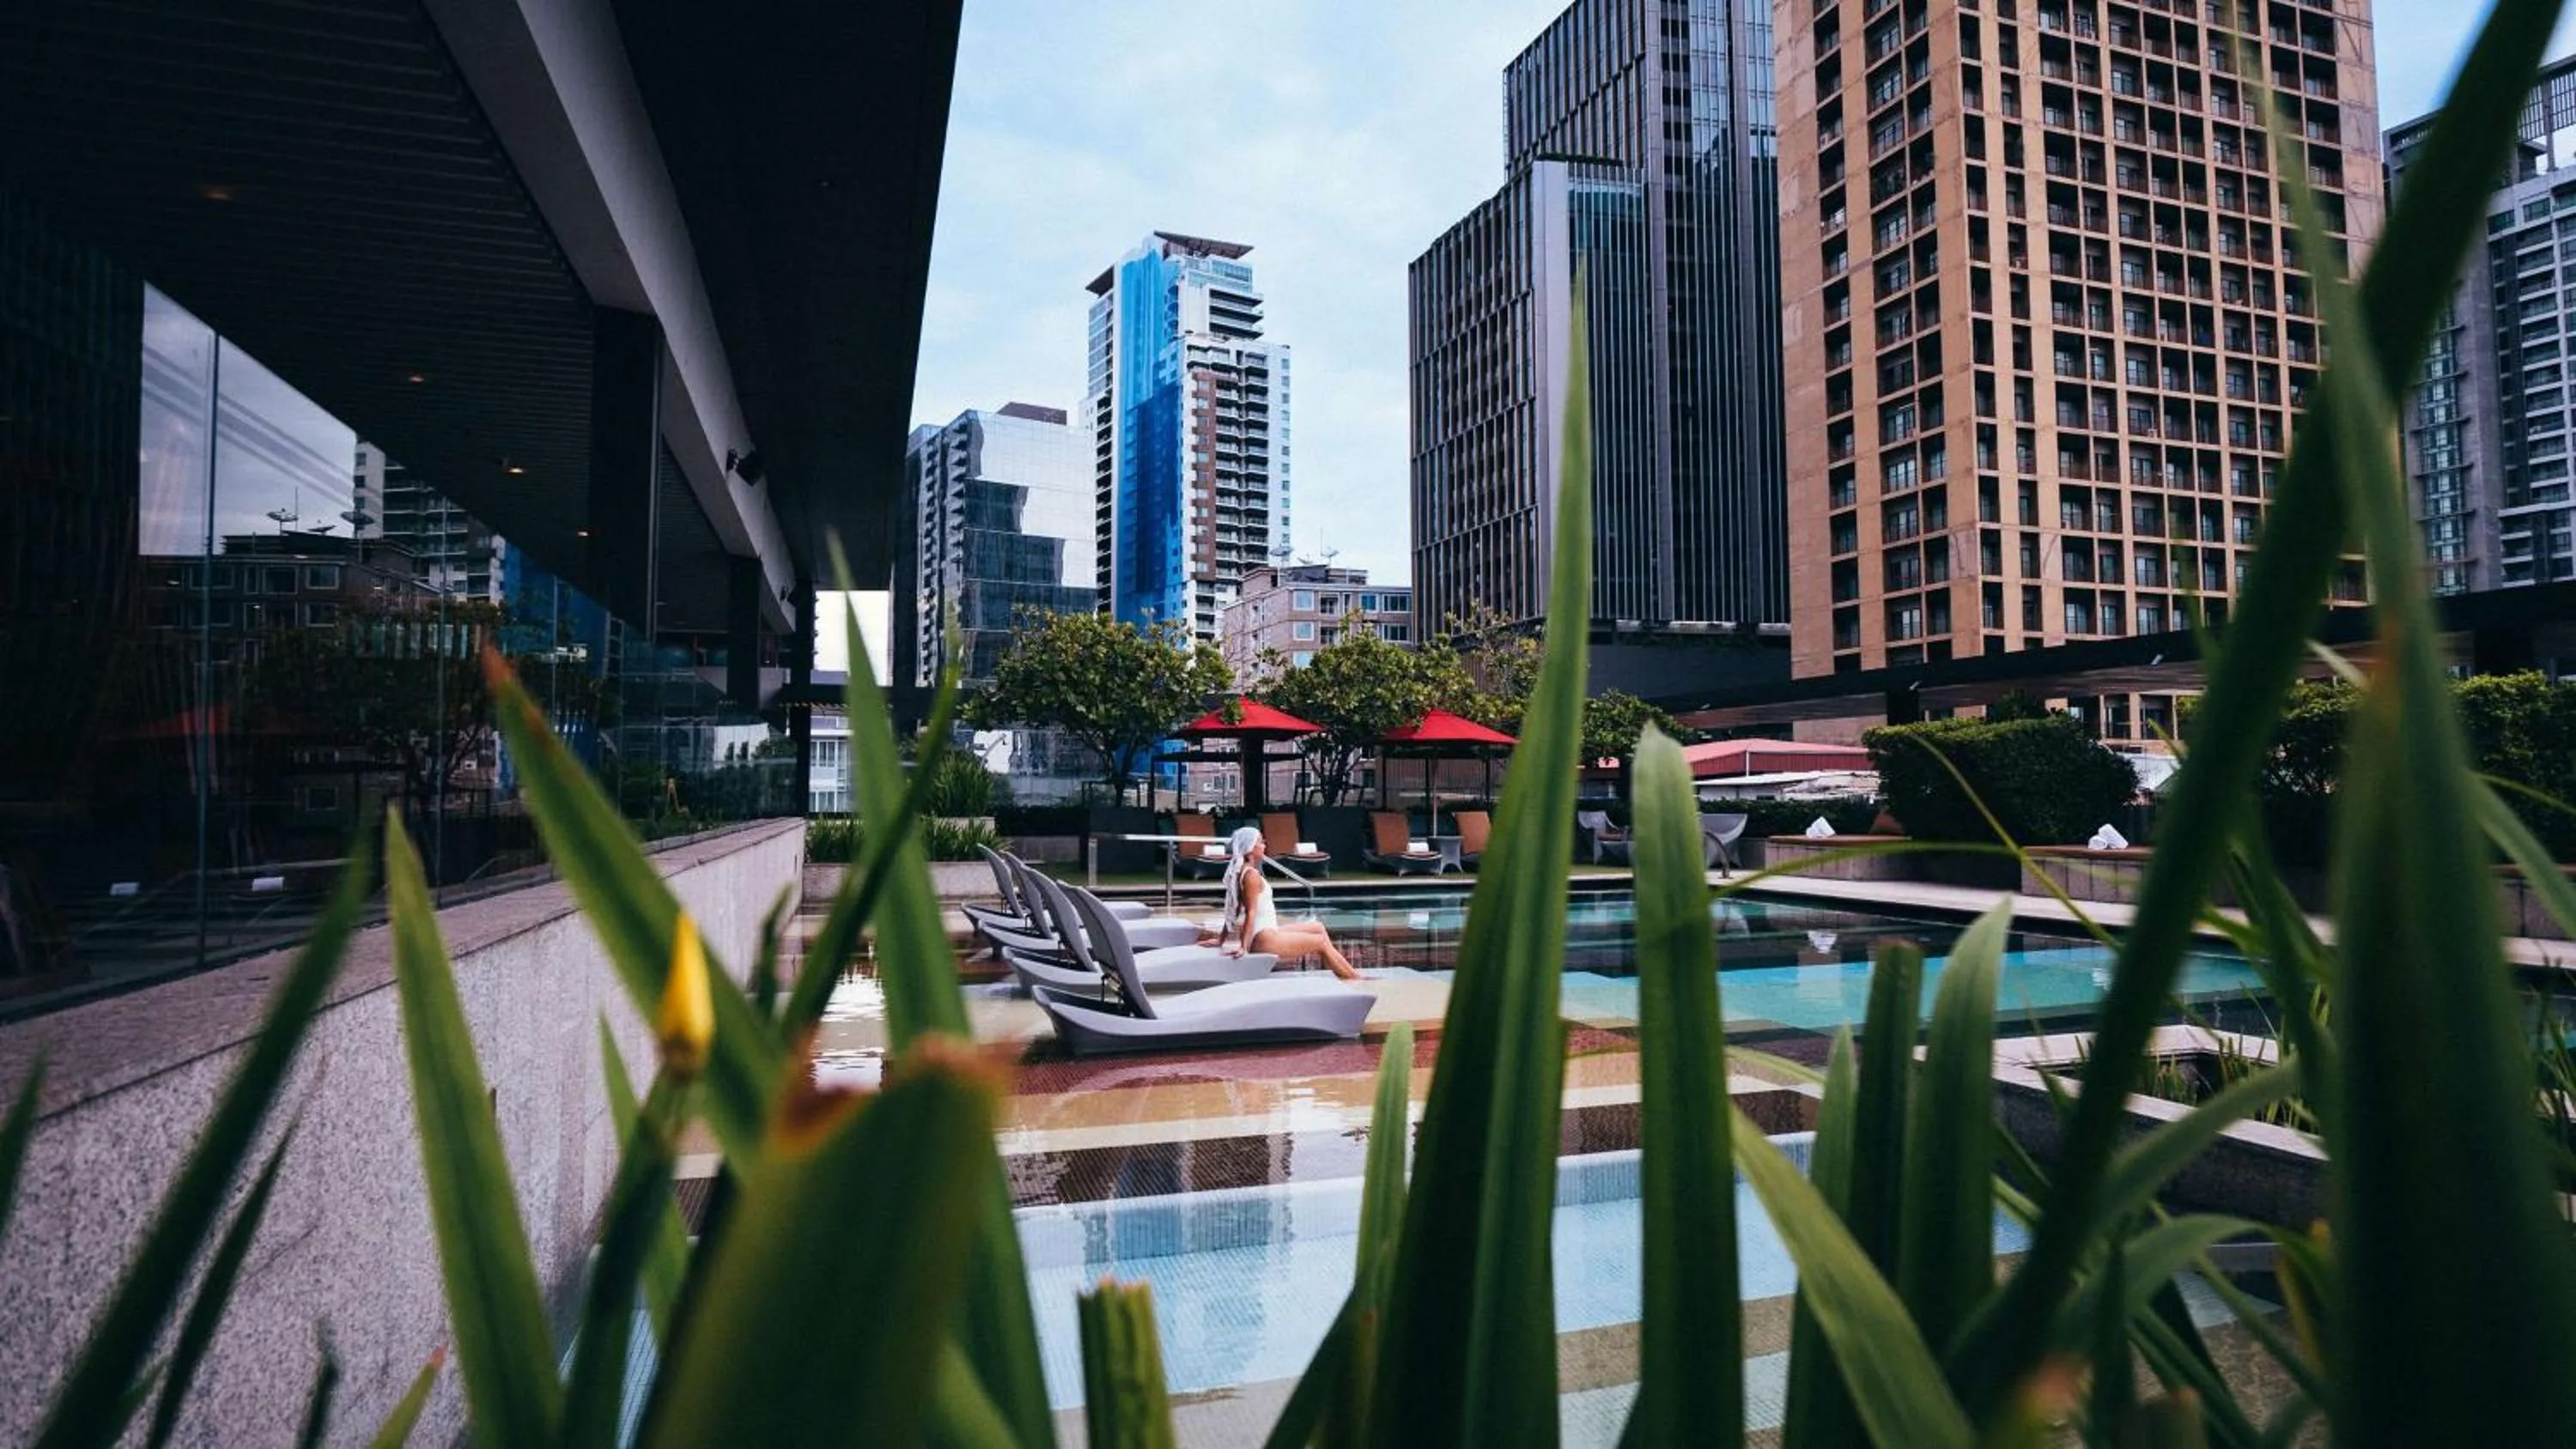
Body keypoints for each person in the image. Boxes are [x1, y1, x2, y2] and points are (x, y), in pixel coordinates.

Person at [1218, 826, 1360, 981]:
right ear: (1250, 848)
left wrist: (1221, 939)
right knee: (1319, 943)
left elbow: (1234, 909)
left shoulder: (1245, 871)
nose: (1264, 845)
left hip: (1267, 932)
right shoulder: (1251, 876)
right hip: (1264, 940)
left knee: (1317, 928)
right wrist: (1244, 948)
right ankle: (1355, 979)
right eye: (1260, 842)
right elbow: (1250, 913)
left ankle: (1348, 973)